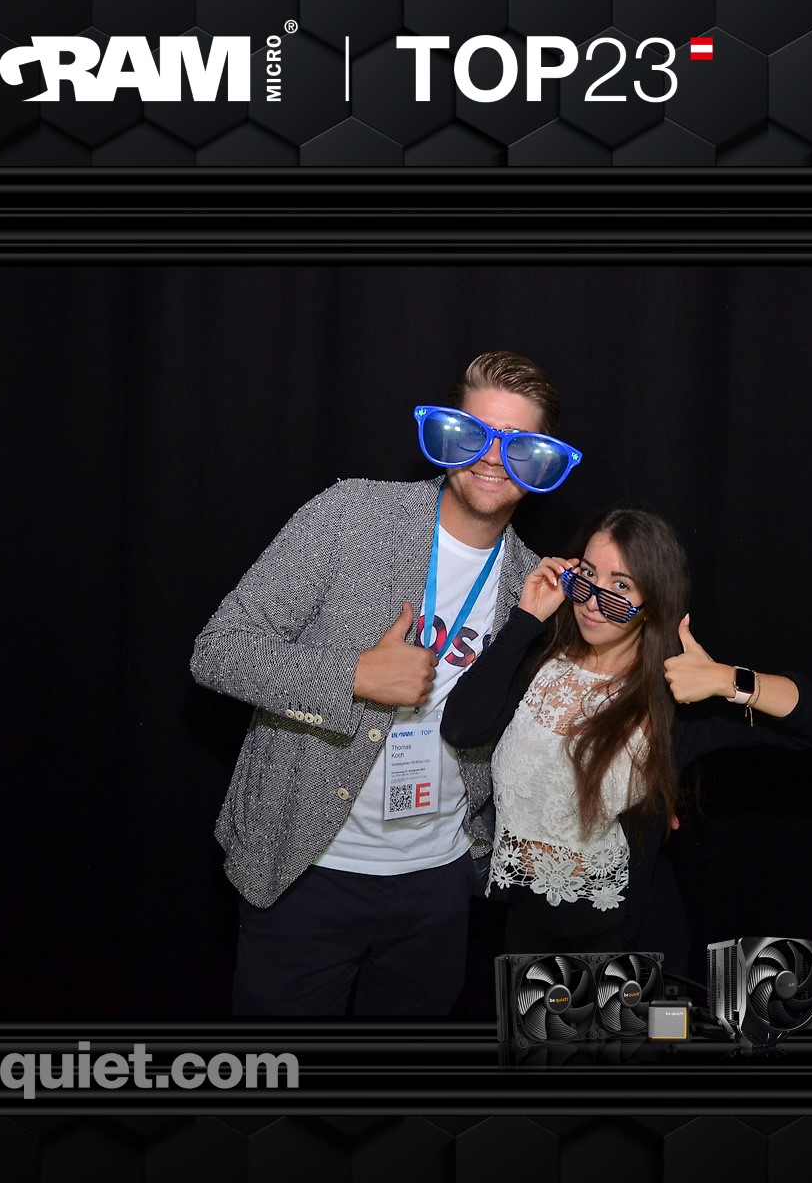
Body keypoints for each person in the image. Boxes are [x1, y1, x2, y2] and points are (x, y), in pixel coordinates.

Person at [190, 351, 583, 1015]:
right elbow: (219, 650)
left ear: (541, 464)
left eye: (519, 444)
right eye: (474, 434)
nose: (493, 458)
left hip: (437, 883)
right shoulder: (353, 515)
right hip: (306, 869)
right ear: (446, 434)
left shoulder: (533, 588)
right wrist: (353, 676)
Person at [441, 509, 812, 954]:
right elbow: (461, 728)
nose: (593, 601)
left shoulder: (672, 698)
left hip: (621, 941)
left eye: (620, 587)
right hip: (524, 932)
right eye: (587, 576)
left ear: (652, 604)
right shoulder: (542, 660)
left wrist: (727, 680)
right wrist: (526, 617)